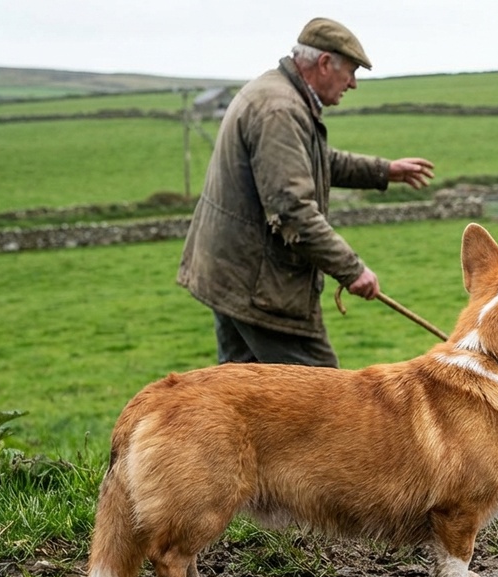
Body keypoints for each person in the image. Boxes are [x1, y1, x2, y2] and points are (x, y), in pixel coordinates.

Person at [177, 17, 435, 368]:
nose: (354, 84)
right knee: (329, 404)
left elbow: (313, 162)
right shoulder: (280, 110)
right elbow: (291, 208)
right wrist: (352, 269)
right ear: (325, 63)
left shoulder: (276, 93)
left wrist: (384, 171)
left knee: (247, 401)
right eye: (352, 71)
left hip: (232, 274)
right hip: (260, 287)